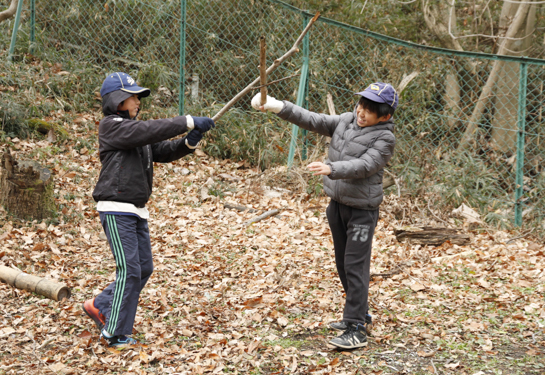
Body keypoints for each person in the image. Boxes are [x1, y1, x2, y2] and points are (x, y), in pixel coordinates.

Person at [251, 83, 397, 349]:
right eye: (361, 105)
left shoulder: (384, 139)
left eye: (370, 110)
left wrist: (331, 168)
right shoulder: (345, 121)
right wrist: (278, 106)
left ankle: (356, 328)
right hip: (338, 205)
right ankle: (360, 313)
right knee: (343, 264)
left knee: (355, 266)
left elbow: (365, 166)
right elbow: (312, 119)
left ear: (385, 116)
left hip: (362, 212)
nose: (361, 112)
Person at [83, 72, 215, 348]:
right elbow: (147, 131)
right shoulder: (112, 127)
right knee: (130, 269)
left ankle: (100, 305)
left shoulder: (135, 131)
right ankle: (114, 332)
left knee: (143, 268)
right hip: (116, 209)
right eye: (132, 96)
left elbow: (163, 150)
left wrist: (191, 139)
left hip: (136, 210)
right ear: (117, 101)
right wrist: (187, 120)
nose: (137, 102)